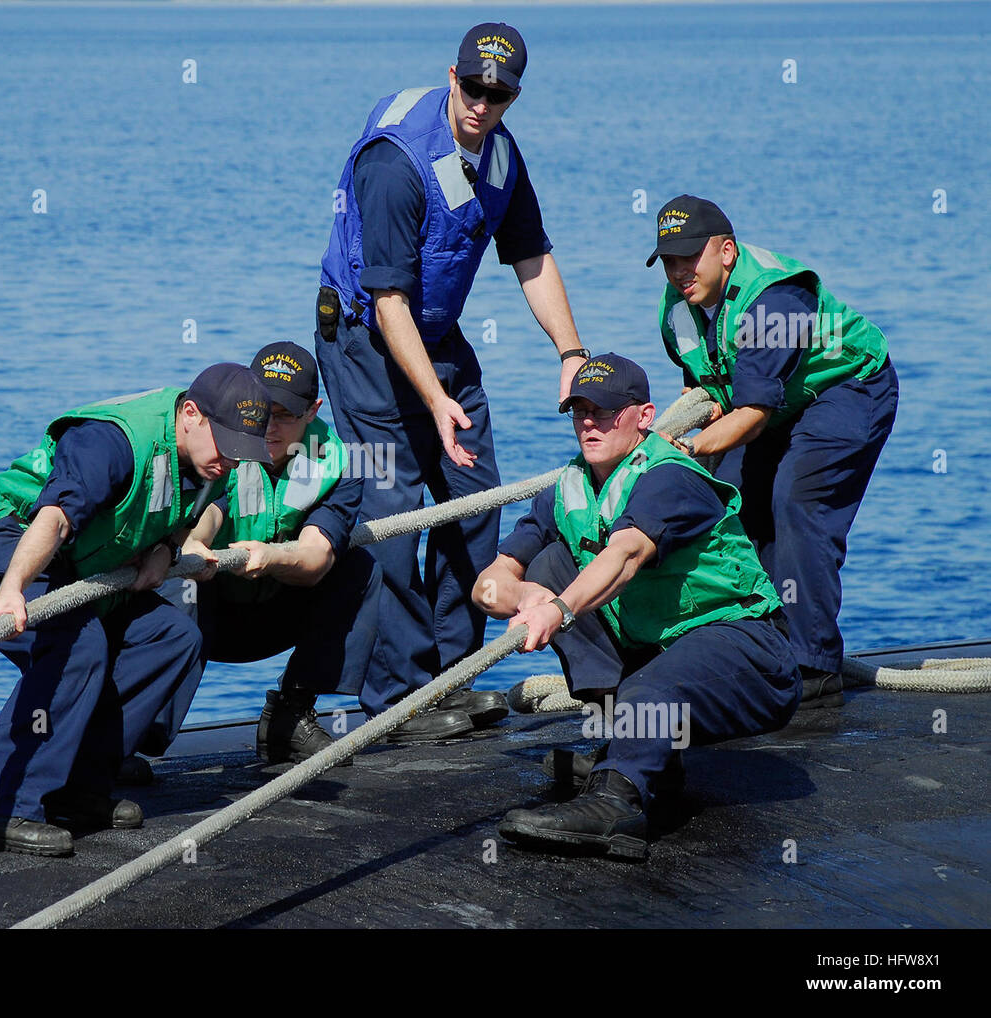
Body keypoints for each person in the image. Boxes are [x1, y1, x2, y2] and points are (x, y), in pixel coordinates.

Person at [315, 22, 587, 738]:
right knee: (395, 510)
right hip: (365, 342)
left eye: (499, 95)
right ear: (451, 75)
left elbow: (531, 256)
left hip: (435, 335)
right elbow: (387, 300)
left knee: (476, 499)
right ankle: (397, 700)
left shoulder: (499, 155)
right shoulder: (396, 162)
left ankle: (449, 675)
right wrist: (433, 401)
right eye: (472, 88)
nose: (482, 105)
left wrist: (570, 352)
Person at [473, 354, 800, 859]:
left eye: (604, 412)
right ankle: (643, 757)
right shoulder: (569, 487)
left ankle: (615, 802)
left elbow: (625, 555)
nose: (588, 422)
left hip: (749, 651)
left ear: (644, 416)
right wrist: (524, 596)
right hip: (662, 648)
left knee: (650, 681)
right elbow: (486, 587)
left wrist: (557, 610)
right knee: (553, 564)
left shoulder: (670, 477)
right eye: (578, 411)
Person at [0, 364, 271, 856]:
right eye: (223, 442)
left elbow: (177, 522)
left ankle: (77, 787)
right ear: (190, 414)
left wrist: (165, 550)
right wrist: (12, 589)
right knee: (76, 642)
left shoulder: (209, 465)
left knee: (172, 637)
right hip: (2, 545)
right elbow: (53, 518)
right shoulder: (112, 443)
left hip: (80, 565)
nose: (229, 459)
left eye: (240, 449)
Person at [647, 195, 899, 707]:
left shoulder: (774, 301)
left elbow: (754, 414)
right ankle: (766, 643)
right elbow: (711, 386)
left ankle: (815, 663)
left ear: (727, 252)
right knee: (735, 502)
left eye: (689, 257)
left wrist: (685, 449)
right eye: (669, 260)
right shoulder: (677, 309)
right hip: (775, 404)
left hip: (846, 387)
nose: (678, 271)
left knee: (797, 502)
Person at [159, 342, 385, 761]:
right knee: (180, 581)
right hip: (207, 608)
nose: (268, 426)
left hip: (275, 607)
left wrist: (269, 556)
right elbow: (212, 506)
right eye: (263, 410)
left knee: (360, 567)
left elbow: (317, 558)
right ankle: (136, 736)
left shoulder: (340, 464)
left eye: (285, 415)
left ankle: (291, 714)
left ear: (313, 411)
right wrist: (195, 543)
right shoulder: (220, 441)